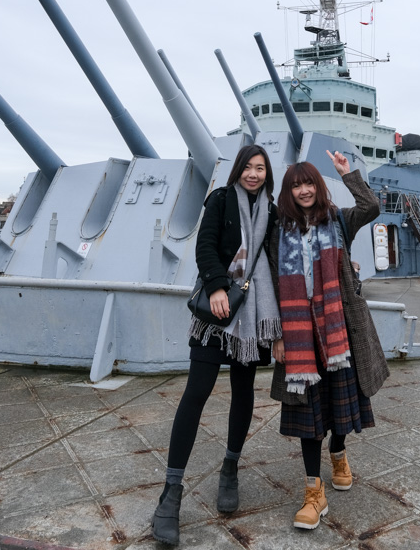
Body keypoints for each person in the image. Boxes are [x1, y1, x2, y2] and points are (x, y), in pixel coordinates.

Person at [152, 144, 281, 545]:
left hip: (253, 315)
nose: (254, 174)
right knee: (196, 393)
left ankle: (230, 468)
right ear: (238, 170)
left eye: (260, 168)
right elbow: (204, 246)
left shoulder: (274, 213)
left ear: (267, 174)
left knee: (243, 393)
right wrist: (216, 285)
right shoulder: (221, 200)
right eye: (248, 167)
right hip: (218, 312)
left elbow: (279, 262)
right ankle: (171, 493)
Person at [269, 150, 389, 531]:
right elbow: (270, 287)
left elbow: (371, 207)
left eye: (308, 183)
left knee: (340, 404)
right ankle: (313, 493)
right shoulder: (278, 231)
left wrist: (347, 173)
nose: (303, 190)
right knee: (308, 413)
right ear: (288, 192)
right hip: (297, 331)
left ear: (318, 187)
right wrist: (276, 335)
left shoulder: (338, 219)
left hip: (339, 329)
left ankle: (338, 452)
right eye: (295, 185)